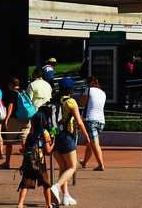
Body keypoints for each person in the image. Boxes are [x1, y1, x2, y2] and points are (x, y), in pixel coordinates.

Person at [49, 77, 89, 206]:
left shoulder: (54, 100)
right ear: (71, 89)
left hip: (54, 137)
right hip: (66, 137)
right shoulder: (71, 102)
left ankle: (66, 196)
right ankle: (56, 186)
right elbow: (79, 121)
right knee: (73, 166)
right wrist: (86, 136)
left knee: (63, 167)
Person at [16, 112, 54, 208]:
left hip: (29, 161)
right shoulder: (44, 133)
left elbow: (25, 147)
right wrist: (53, 141)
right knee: (46, 184)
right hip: (40, 161)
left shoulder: (31, 132)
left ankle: (20, 204)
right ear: (45, 122)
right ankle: (48, 204)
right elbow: (48, 150)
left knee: (25, 184)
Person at [0, 77, 31, 169]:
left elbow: (10, 107)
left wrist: (6, 119)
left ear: (11, 85)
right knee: (24, 142)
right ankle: (26, 163)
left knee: (9, 140)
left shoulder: (12, 93)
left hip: (15, 119)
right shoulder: (25, 92)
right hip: (26, 119)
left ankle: (7, 162)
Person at [79, 77, 106, 171]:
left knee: (95, 143)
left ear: (88, 83)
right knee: (91, 142)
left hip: (91, 119)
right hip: (101, 120)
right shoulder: (103, 93)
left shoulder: (88, 90)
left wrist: (83, 96)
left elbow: (82, 103)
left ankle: (100, 164)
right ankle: (85, 162)